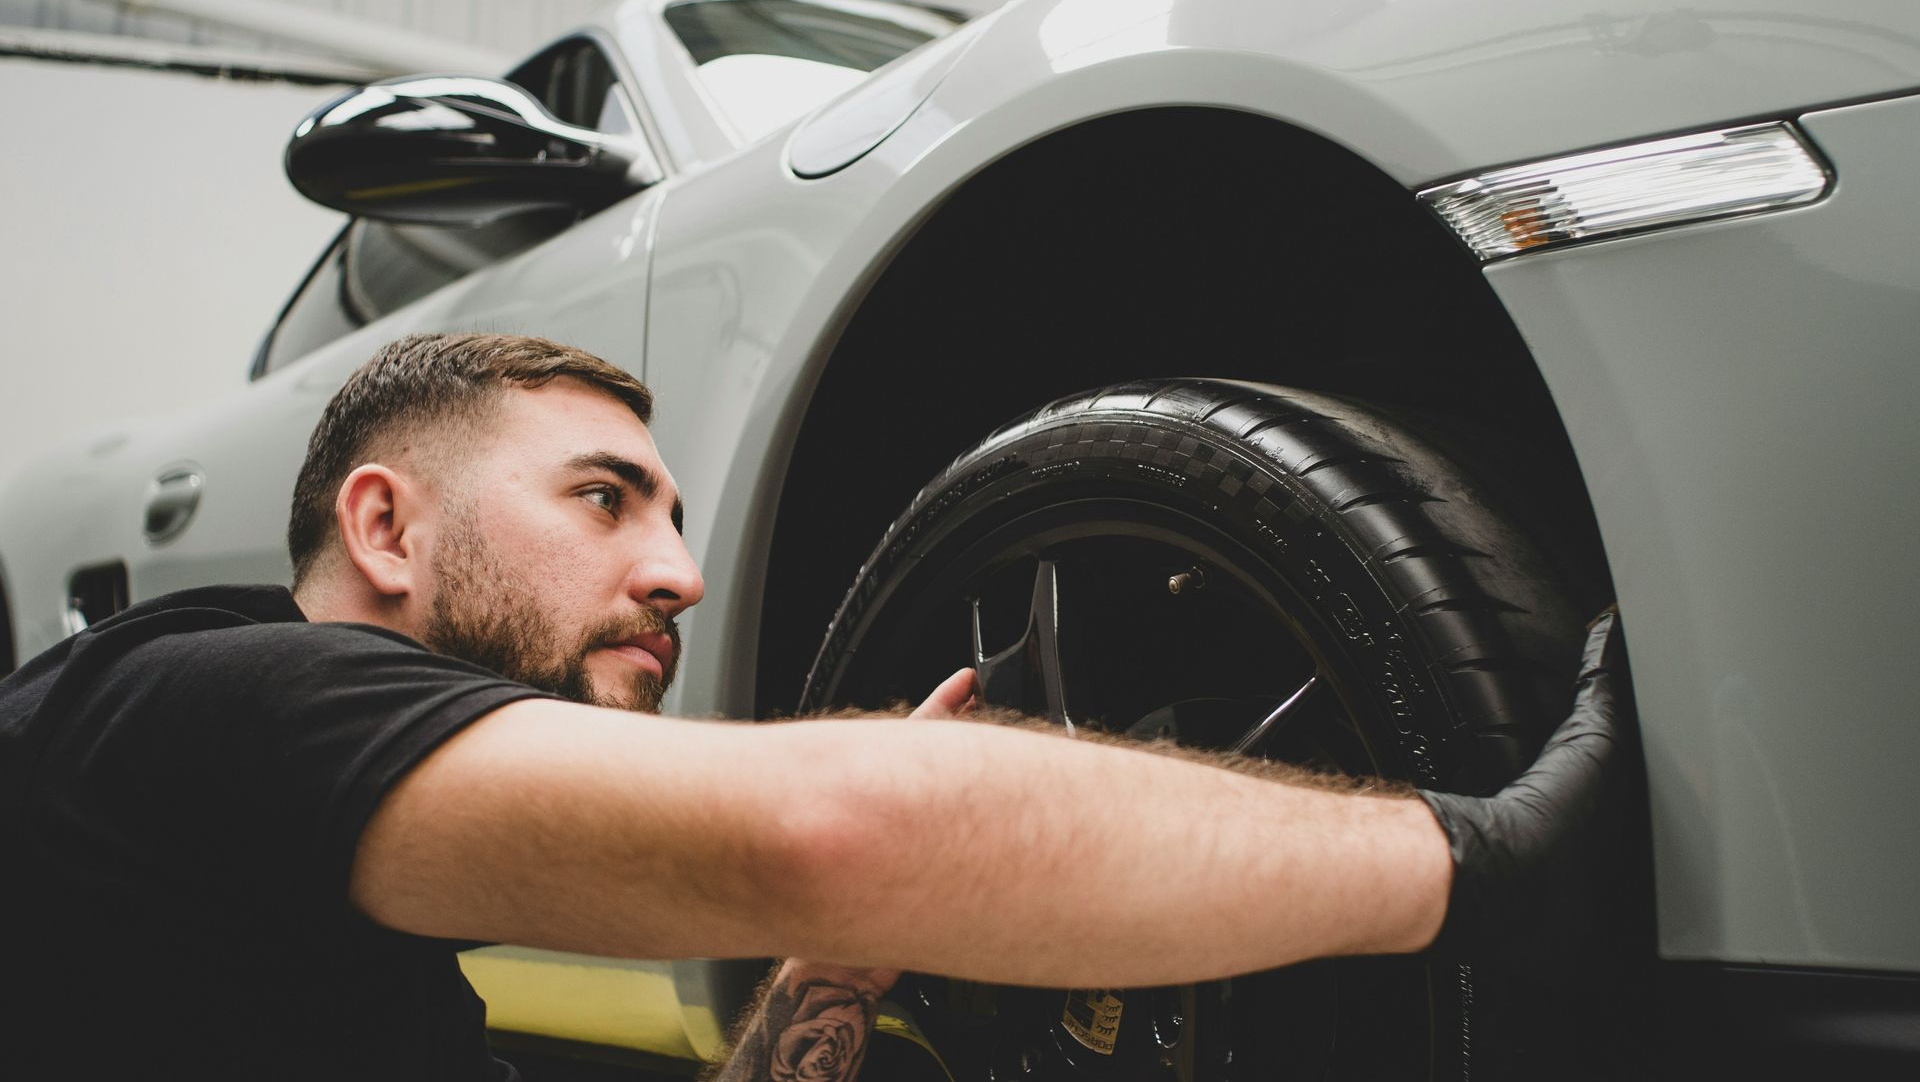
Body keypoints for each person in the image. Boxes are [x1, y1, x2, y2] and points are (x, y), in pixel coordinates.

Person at [0, 333, 1629, 1080]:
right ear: (384, 529)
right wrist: (1487, 860)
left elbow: (831, 873)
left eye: (683, 520)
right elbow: (830, 826)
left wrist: (834, 972)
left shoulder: (340, 952)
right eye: (605, 499)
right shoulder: (188, 694)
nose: (683, 575)